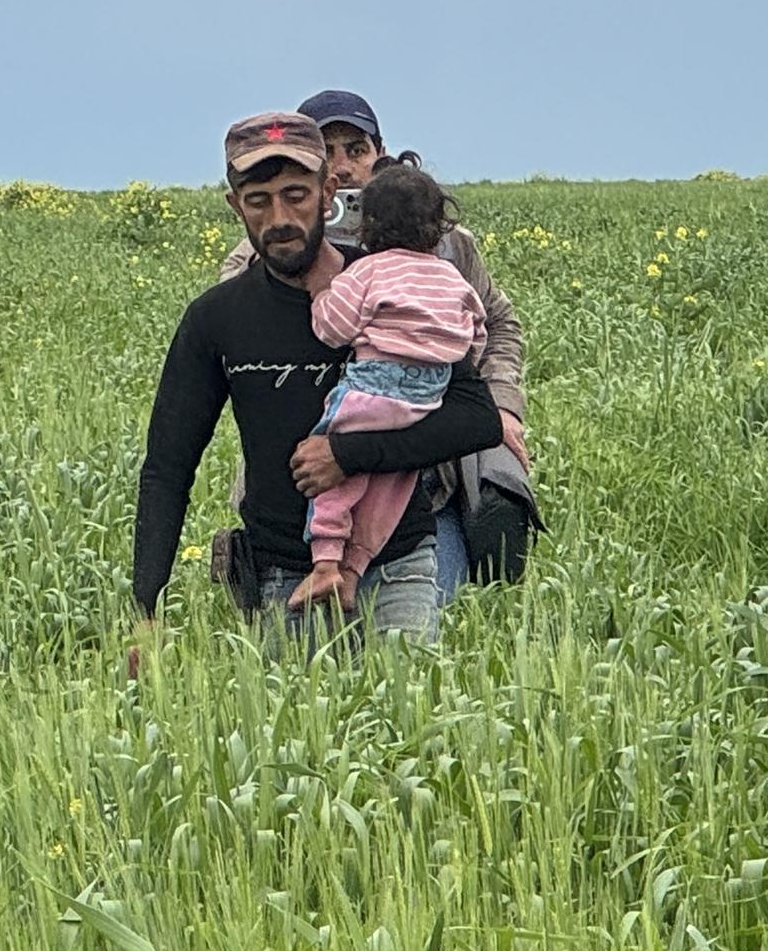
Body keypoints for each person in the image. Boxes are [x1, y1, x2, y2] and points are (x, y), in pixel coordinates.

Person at [133, 111, 503, 645]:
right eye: (258, 201)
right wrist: (146, 609)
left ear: (328, 192)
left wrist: (347, 454)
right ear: (235, 205)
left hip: (398, 566)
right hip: (282, 578)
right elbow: (168, 467)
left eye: (296, 195)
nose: (279, 217)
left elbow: (477, 420)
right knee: (293, 705)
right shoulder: (217, 318)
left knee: (410, 698)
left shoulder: (384, 284)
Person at [220, 89, 540, 599]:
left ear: (380, 155)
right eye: (329, 154)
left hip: (421, 478)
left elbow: (496, 322)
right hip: (301, 492)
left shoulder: (446, 244)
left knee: (421, 625)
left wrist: (500, 406)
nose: (345, 168)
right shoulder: (263, 252)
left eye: (357, 150)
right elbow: (237, 344)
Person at [290, 160, 488, 613]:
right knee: (392, 486)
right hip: (429, 395)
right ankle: (355, 570)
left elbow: (333, 330)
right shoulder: (451, 277)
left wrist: (320, 295)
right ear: (439, 226)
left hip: (374, 386)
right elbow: (476, 331)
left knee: (331, 461)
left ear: (368, 225)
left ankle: (325, 561)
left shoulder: (367, 271)